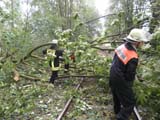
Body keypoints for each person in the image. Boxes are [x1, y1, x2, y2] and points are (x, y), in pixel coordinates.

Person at [109, 28, 151, 120]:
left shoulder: (121, 47)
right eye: (141, 41)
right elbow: (129, 76)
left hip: (112, 75)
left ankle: (117, 113)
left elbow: (117, 62)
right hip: (120, 79)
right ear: (136, 42)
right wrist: (128, 88)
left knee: (117, 98)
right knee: (130, 103)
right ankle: (120, 118)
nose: (142, 43)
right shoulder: (133, 56)